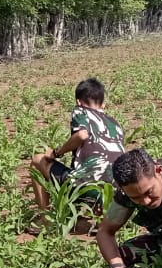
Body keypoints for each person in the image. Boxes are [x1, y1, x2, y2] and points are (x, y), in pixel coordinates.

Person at [30, 77, 127, 212]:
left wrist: (57, 152)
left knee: (37, 161)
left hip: (90, 187)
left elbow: (82, 135)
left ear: (78, 101)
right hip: (116, 192)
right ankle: (99, 211)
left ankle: (45, 220)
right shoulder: (115, 124)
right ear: (103, 104)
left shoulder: (80, 111)